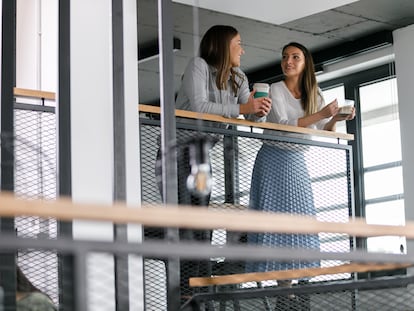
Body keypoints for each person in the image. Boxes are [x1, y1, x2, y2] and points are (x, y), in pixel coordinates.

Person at [154, 25, 272, 303]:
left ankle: (197, 289)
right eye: (238, 44)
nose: (242, 50)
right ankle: (182, 290)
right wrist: (244, 109)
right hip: (176, 152)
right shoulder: (198, 67)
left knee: (202, 224)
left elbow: (251, 116)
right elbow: (198, 107)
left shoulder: (238, 78)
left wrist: (259, 111)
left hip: (202, 155)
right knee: (184, 221)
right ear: (223, 45)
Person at [246, 42, 355, 279]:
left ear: (306, 64)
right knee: (272, 217)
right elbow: (283, 125)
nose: (289, 62)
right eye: (285, 57)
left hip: (297, 160)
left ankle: (294, 287)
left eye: (295, 57)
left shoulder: (314, 93)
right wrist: (321, 114)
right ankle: (278, 284)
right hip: (273, 157)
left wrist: (335, 117)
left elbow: (320, 128)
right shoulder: (275, 89)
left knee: (301, 216)